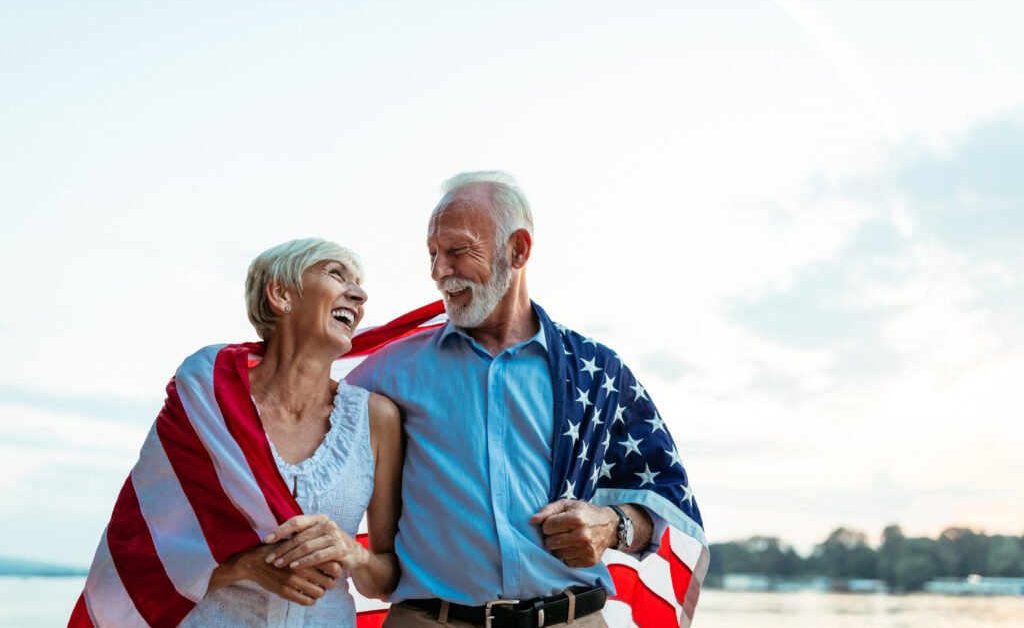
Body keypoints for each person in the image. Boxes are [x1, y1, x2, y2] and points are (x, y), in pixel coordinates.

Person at [347, 172, 707, 628]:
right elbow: (290, 421)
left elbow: (663, 503)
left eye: (457, 250)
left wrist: (611, 524)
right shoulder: (387, 371)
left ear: (518, 249)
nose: (439, 271)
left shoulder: (598, 372)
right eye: (433, 254)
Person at [71, 238, 403, 628]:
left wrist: (354, 552)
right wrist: (246, 565)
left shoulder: (376, 419)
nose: (360, 294)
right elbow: (141, 551)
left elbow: (387, 578)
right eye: (336, 274)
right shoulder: (205, 400)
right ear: (281, 294)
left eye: (359, 284)